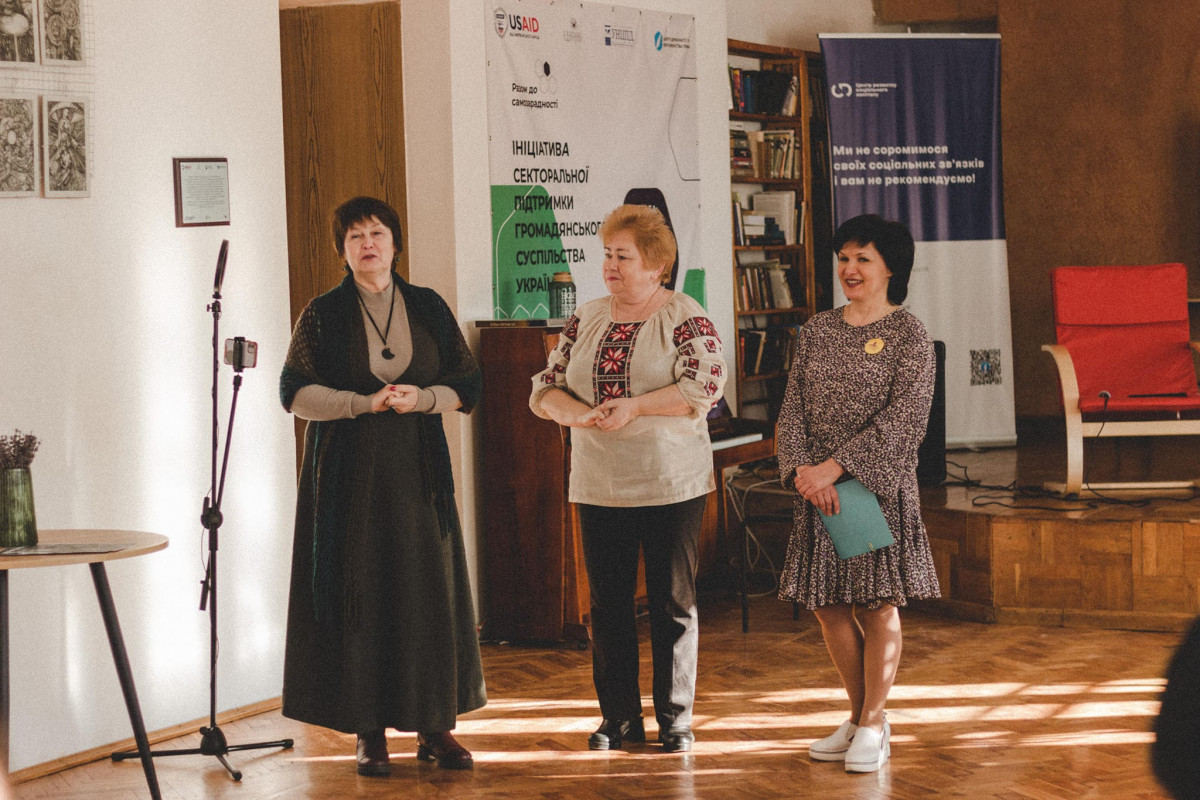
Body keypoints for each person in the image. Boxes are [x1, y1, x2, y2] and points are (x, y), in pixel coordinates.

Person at [279, 196, 485, 776]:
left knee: (425, 593)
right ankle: (368, 731)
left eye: (377, 233)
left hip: (419, 473)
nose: (367, 244)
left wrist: (424, 398)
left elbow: (468, 383)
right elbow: (294, 392)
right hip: (346, 478)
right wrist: (360, 403)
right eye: (355, 237)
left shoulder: (428, 305)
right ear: (342, 251)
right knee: (360, 592)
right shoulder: (322, 314)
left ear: (395, 244)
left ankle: (434, 726)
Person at [529, 203, 726, 753]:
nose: (610, 266)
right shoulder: (586, 317)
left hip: (671, 482)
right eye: (607, 255)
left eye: (623, 256)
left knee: (671, 604)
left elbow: (704, 386)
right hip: (600, 483)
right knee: (608, 605)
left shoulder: (684, 315)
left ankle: (675, 719)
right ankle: (618, 718)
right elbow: (545, 386)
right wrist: (577, 415)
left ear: (657, 265)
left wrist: (635, 407)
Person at [776, 213, 940, 773]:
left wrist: (836, 469)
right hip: (817, 490)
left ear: (891, 268)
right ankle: (857, 718)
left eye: (863, 258)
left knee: (875, 603)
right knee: (826, 606)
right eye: (844, 257)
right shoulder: (818, 330)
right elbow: (792, 409)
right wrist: (803, 471)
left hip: (872, 489)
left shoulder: (909, 334)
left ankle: (874, 722)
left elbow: (906, 420)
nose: (849, 268)